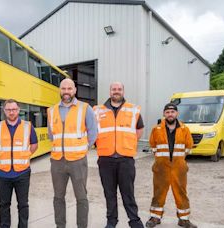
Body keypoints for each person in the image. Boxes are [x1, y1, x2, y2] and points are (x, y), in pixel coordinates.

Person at [47, 78, 97, 228]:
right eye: (63, 88)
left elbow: (93, 132)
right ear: (60, 90)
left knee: (81, 197)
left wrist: (82, 149)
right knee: (58, 197)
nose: (66, 92)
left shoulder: (85, 108)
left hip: (78, 161)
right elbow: (51, 134)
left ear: (75, 90)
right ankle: (60, 225)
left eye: (69, 89)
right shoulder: (51, 110)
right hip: (57, 161)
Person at [93, 82, 144, 228]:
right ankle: (111, 221)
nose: (116, 91)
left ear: (123, 91)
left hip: (125, 159)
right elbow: (92, 130)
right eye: (114, 89)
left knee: (128, 193)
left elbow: (139, 129)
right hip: (105, 159)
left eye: (119, 89)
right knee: (109, 194)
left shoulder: (133, 109)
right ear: (110, 92)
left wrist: (129, 142)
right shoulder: (97, 110)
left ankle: (134, 221)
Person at [146, 103, 197, 228]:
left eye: (172, 112)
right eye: (167, 112)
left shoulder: (184, 129)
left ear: (177, 114)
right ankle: (155, 217)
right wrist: (161, 159)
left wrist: (179, 159)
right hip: (161, 167)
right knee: (158, 192)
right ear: (164, 114)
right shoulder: (156, 129)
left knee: (181, 192)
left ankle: (184, 219)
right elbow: (153, 145)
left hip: (179, 168)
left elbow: (189, 145)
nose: (170, 114)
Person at [0, 99, 38, 228]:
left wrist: (25, 155)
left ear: (18, 110)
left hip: (22, 172)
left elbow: (34, 144)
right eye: (8, 110)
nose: (11, 112)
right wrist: (0, 155)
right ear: (4, 111)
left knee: (23, 204)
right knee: (4, 204)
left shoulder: (28, 126)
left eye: (14, 109)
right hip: (3, 173)